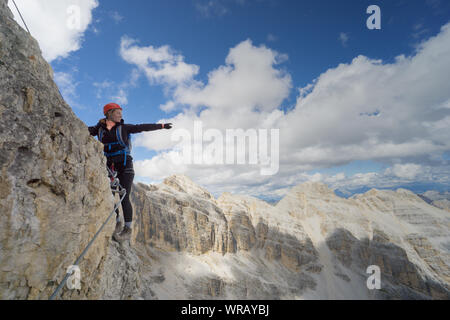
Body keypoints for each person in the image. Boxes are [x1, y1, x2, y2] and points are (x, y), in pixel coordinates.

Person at [88, 103, 172, 243]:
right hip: (108, 166)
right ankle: (116, 221)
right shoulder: (99, 129)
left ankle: (127, 229)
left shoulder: (125, 128)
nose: (120, 114)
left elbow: (142, 127)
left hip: (125, 165)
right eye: (117, 112)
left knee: (124, 196)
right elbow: (84, 129)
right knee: (109, 195)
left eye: (121, 112)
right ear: (109, 113)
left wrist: (161, 126)